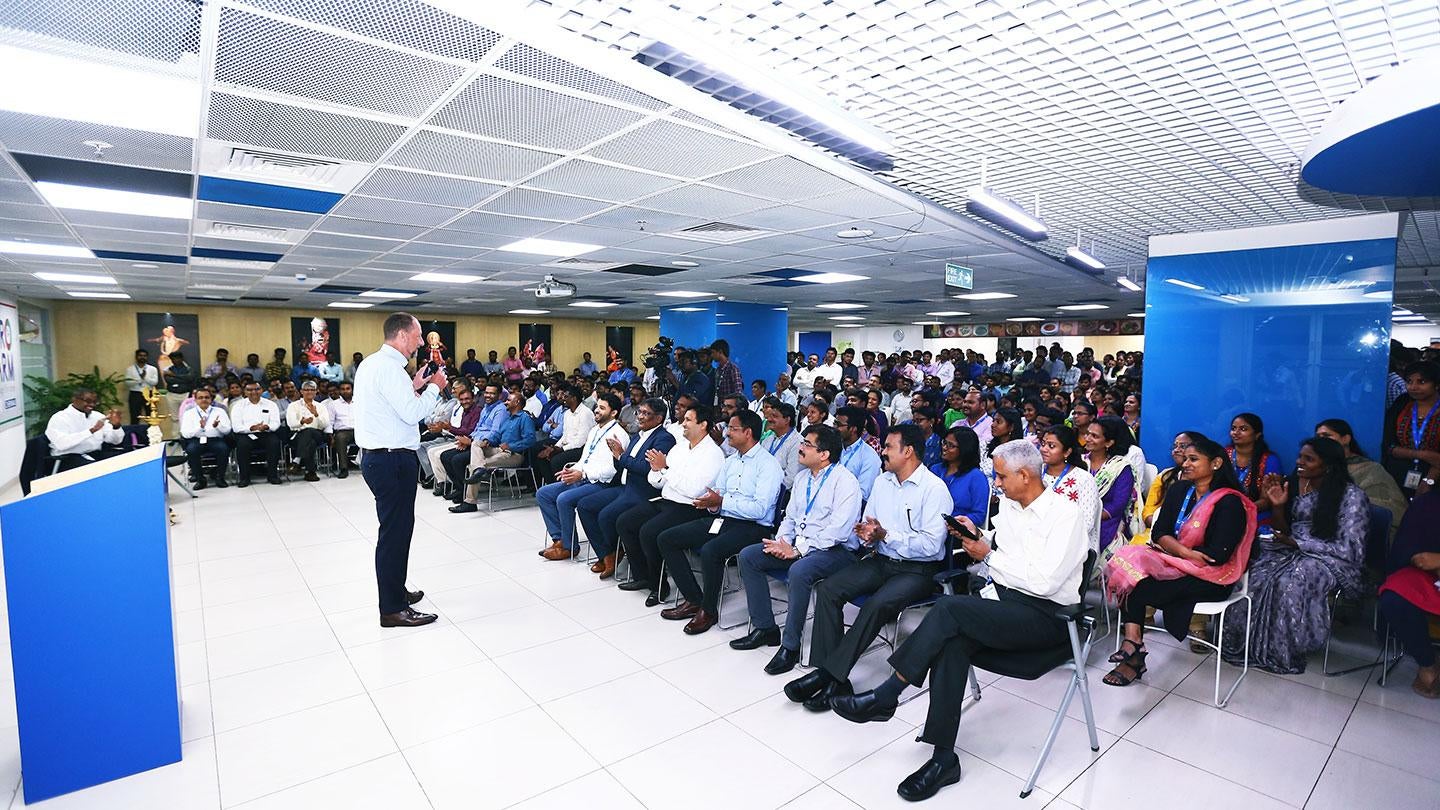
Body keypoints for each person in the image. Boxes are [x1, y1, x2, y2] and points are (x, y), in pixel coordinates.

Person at [826, 439, 1089, 802]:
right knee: (951, 642)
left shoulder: (1065, 515)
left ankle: (888, 695)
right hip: (1006, 606)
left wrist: (989, 555)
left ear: (1025, 476)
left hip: (1048, 618)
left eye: (1000, 476)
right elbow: (1009, 545)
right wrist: (979, 535)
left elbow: (1045, 582)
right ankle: (943, 758)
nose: (995, 483)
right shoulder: (1012, 505)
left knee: (949, 610)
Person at [784, 424, 953, 712]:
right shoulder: (882, 482)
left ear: (908, 451)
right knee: (828, 589)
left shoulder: (934, 489)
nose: (882, 452)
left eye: (888, 447)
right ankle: (835, 680)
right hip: (881, 559)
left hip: (918, 570)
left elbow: (932, 546)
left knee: (876, 605)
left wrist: (886, 535)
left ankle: (828, 675)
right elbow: (870, 522)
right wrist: (867, 533)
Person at [1103, 435, 1257, 686]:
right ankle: (1132, 646)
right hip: (1175, 563)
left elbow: (1217, 555)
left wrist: (1175, 551)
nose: (1185, 463)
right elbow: (1159, 532)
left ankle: (1133, 655)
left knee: (1137, 587)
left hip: (1211, 577)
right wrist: (1184, 553)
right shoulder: (1178, 490)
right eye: (1184, 458)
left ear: (1216, 463)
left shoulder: (1229, 502)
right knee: (1126, 569)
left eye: (1193, 459)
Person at [1219, 437, 1368, 674]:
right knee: (1253, 573)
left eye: (1308, 459)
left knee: (1290, 582)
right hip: (1291, 547)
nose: (1300, 462)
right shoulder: (1296, 483)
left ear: (1328, 465)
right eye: (1300, 456)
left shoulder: (1352, 497)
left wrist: (1299, 543)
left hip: (1332, 558)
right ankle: (1242, 644)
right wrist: (1277, 505)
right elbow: (1284, 529)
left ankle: (1282, 650)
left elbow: (1351, 547)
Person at [733, 424, 862, 672]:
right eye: (802, 442)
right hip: (800, 546)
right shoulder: (803, 478)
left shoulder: (845, 482)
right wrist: (782, 543)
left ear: (824, 454)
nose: (800, 448)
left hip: (836, 551)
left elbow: (839, 531)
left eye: (806, 444)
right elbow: (790, 518)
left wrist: (799, 550)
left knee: (799, 571)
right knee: (750, 556)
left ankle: (790, 646)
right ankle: (765, 628)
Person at [354, 312, 447, 628]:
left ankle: (396, 590)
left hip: (381, 458)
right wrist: (434, 387)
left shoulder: (374, 365)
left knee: (397, 530)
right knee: (394, 534)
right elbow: (412, 414)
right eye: (419, 336)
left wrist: (415, 384)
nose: (422, 342)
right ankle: (392, 609)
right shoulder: (390, 370)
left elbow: (392, 405)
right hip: (391, 460)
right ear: (403, 335)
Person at [656, 408, 783, 634]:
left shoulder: (768, 465)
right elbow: (718, 493)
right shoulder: (731, 461)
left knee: (710, 550)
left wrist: (721, 501)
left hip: (753, 527)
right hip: (724, 519)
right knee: (667, 538)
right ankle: (693, 599)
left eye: (733, 429)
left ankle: (709, 610)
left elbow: (760, 509)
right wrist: (710, 503)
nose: (727, 434)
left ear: (748, 432)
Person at [614, 403, 725, 594]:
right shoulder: (680, 448)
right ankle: (642, 576)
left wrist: (665, 469)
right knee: (625, 522)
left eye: (688, 420)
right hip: (666, 499)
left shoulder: (713, 454)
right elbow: (657, 481)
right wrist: (658, 470)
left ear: (703, 425)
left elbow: (695, 490)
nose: (683, 423)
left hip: (689, 507)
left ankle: (659, 587)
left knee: (649, 532)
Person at [575, 399, 676, 575]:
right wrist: (617, 456)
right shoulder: (637, 435)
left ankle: (616, 551)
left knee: (606, 516)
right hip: (626, 487)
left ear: (659, 418)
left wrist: (621, 456)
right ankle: (607, 554)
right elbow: (622, 465)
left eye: (646, 413)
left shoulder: (664, 439)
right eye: (639, 412)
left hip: (644, 491)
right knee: (585, 505)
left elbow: (646, 469)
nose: (640, 417)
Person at [537, 392, 627, 561]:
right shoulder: (594, 430)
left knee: (564, 499)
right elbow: (585, 458)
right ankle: (560, 539)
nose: (596, 411)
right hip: (584, 477)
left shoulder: (617, 434)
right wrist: (572, 470)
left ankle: (569, 547)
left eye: (602, 408)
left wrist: (582, 474)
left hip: (602, 483)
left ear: (613, 413)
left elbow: (612, 470)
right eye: (596, 407)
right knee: (544, 493)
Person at [1377, 490, 1440, 698]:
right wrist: (1425, 560)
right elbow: (1409, 550)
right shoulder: (1429, 503)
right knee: (1395, 597)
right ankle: (1427, 664)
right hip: (1429, 575)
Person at [451, 391, 537, 513]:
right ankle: (480, 469)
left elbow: (530, 440)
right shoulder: (507, 419)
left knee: (474, 466)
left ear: (517, 402)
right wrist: (487, 440)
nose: (505, 402)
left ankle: (470, 502)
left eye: (508, 400)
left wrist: (511, 446)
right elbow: (497, 436)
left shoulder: (524, 418)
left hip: (514, 455)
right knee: (476, 443)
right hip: (498, 450)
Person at [1086, 416, 1140, 567]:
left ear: (1109, 442)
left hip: (1105, 520)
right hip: (1076, 517)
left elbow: (1118, 505)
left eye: (1094, 436)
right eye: (1088, 434)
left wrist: (1091, 516)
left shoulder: (1121, 468)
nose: (1088, 438)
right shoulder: (1080, 462)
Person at [1383, 360, 1440, 499]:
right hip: (1399, 472)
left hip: (1434, 476)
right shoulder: (1402, 403)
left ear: (1437, 385)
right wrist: (1422, 455)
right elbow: (1388, 444)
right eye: (1409, 381)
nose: (1413, 387)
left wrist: (1429, 480)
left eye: (1421, 382)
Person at [45, 388, 126, 471]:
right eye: (88, 401)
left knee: (124, 460)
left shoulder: (97, 416)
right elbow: (62, 444)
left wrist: (116, 426)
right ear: (74, 399)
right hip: (66, 458)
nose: (92, 405)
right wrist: (91, 431)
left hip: (94, 453)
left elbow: (116, 441)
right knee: (95, 469)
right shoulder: (60, 418)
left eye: (94, 402)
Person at [1228, 412, 1283, 526]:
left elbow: (1267, 500)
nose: (1236, 433)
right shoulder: (1223, 455)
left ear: (1257, 434)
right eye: (1233, 428)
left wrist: (1243, 509)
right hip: (1224, 510)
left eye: (1243, 429)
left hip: (1255, 512)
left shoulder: (1270, 460)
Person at [931, 426, 988, 528]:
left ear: (965, 449)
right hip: (929, 525)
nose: (944, 448)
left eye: (951, 445)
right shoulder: (935, 470)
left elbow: (979, 515)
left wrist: (954, 522)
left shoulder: (976, 477)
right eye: (944, 443)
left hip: (956, 532)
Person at [230, 381, 283, 486]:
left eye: (257, 389)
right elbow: (236, 427)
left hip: (266, 433)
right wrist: (251, 428)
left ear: (262, 391)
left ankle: (273, 476)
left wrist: (267, 426)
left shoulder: (271, 404)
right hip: (246, 434)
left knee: (274, 442)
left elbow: (276, 423)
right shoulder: (238, 406)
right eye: (250, 390)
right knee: (242, 445)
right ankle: (244, 478)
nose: (253, 392)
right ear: (245, 392)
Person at [179, 386, 231, 488]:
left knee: (224, 449)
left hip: (215, 439)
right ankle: (200, 480)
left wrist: (218, 426)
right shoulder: (189, 413)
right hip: (196, 440)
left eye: (207, 397)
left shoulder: (219, 411)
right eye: (201, 397)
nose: (204, 400)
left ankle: (220, 478)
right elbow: (185, 433)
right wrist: (199, 427)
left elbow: (228, 430)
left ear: (211, 399)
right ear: (195, 399)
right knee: (191, 450)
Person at [834, 406, 882, 501]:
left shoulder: (869, 457)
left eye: (838, 424)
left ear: (853, 429)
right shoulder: (833, 447)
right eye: (835, 423)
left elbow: (862, 494)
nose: (834, 428)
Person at [286, 380, 330, 481]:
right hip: (297, 435)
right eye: (306, 390)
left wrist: (316, 414)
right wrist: (301, 422)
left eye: (312, 390)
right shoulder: (293, 406)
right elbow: (291, 424)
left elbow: (325, 424)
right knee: (310, 441)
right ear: (301, 391)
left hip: (318, 433)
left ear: (316, 392)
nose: (309, 392)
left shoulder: (321, 406)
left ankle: (297, 460)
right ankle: (310, 472)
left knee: (310, 432)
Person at [760, 400, 802, 489]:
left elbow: (791, 477)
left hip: (782, 493)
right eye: (770, 416)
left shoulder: (797, 442)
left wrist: (769, 489)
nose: (769, 419)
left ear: (787, 420)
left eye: (774, 416)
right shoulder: (768, 440)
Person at [325, 381, 357, 477]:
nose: (345, 391)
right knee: (340, 438)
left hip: (358, 430)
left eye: (348, 388)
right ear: (339, 391)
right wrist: (330, 436)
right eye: (343, 389)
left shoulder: (359, 402)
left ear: (352, 390)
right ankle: (344, 468)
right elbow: (329, 422)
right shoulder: (333, 404)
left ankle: (366, 465)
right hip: (343, 431)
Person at [124, 348, 160, 424]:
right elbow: (127, 383)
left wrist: (145, 378)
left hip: (149, 394)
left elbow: (155, 382)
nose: (142, 357)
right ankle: (134, 435)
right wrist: (140, 379)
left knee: (150, 416)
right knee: (134, 416)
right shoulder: (130, 369)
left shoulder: (152, 369)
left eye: (144, 356)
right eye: (140, 355)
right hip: (135, 394)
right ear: (136, 357)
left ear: (147, 357)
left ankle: (150, 435)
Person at [710, 339, 743, 403]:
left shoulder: (733, 368)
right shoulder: (717, 370)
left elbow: (738, 392)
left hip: (730, 407)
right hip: (720, 406)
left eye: (713, 352)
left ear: (720, 352)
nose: (711, 355)